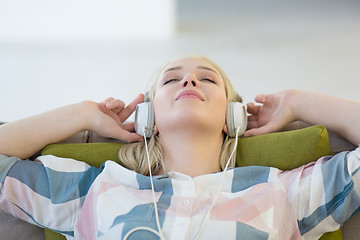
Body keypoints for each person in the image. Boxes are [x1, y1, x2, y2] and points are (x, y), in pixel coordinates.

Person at [0, 55, 359, 240]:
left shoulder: (278, 190)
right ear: (147, 118)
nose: (189, 80)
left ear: (232, 116)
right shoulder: (97, 189)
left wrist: (300, 103)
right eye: (171, 79)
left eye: (208, 79)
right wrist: (80, 113)